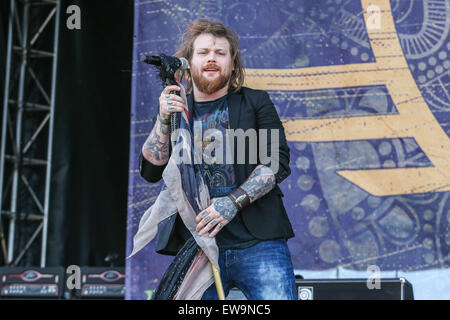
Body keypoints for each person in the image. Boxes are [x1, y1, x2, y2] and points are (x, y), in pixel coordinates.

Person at [139, 18, 297, 300]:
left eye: (220, 53)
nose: (212, 58)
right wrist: (163, 120)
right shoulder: (175, 108)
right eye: (203, 53)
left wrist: (232, 202)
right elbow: (151, 170)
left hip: (259, 243)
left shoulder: (255, 101)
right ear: (188, 63)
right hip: (198, 244)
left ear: (232, 64)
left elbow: (277, 161)